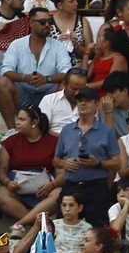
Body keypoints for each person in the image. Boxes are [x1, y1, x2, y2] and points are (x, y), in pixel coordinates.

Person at [52, 86, 121, 228]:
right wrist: (64, 163)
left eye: (87, 100)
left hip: (96, 188)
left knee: (97, 230)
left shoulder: (106, 131)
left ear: (97, 105)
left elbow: (117, 163)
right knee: (62, 229)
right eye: (80, 101)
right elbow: (55, 160)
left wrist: (98, 163)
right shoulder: (67, 130)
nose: (82, 103)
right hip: (71, 187)